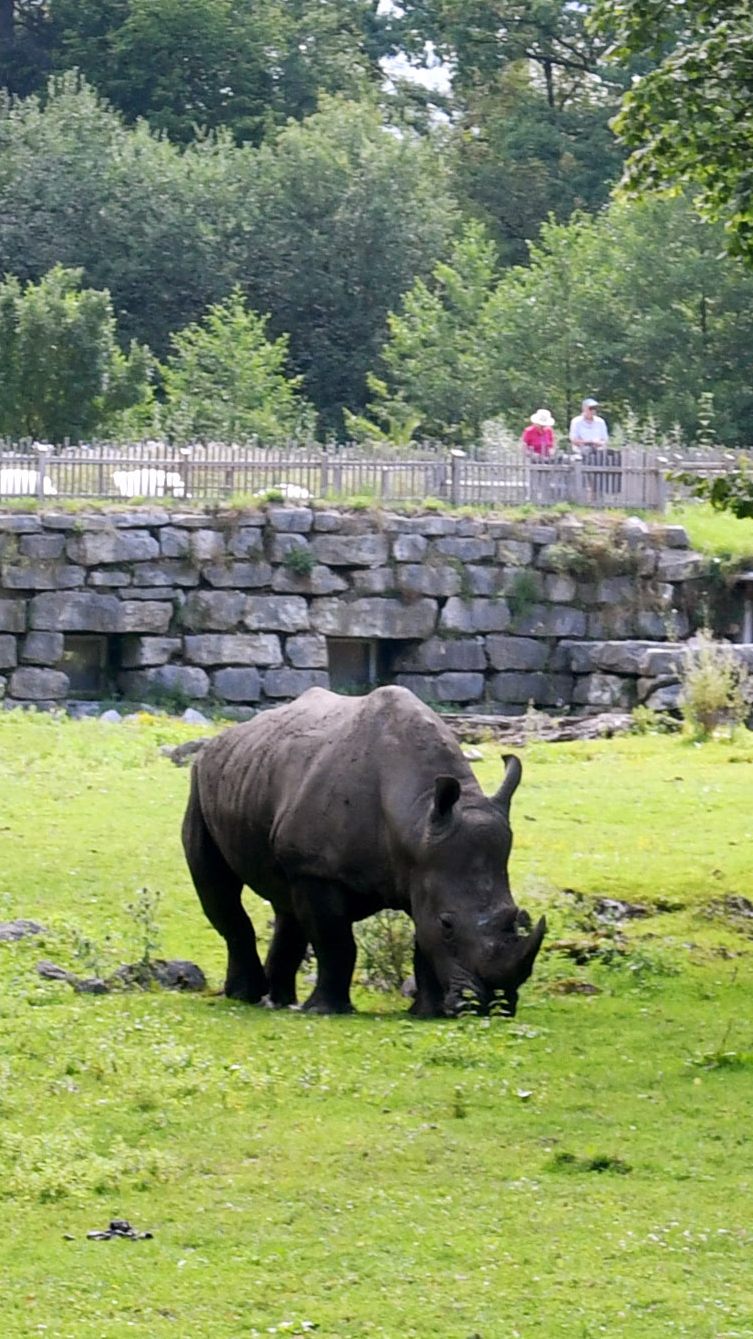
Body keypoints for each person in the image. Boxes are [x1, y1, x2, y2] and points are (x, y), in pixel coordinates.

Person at [569, 397, 619, 498]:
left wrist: (599, 443)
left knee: (614, 456)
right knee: (588, 454)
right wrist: (589, 442)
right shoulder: (576, 421)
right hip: (582, 449)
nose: (593, 411)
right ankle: (589, 490)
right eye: (590, 408)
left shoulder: (600, 422)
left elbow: (605, 439)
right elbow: (574, 439)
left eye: (594, 408)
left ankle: (609, 490)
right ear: (584, 409)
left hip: (598, 449)